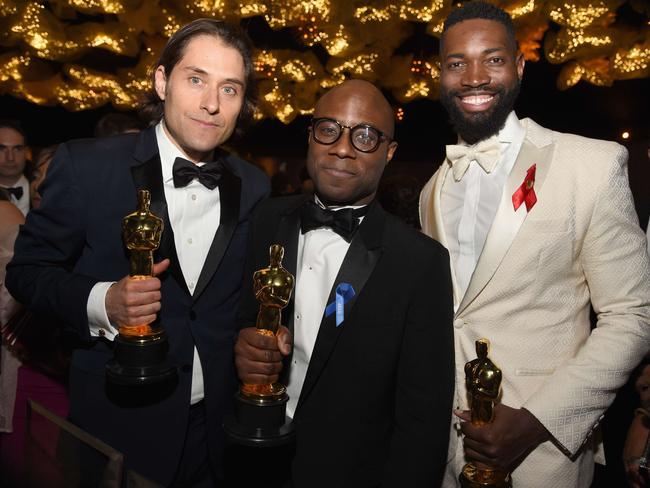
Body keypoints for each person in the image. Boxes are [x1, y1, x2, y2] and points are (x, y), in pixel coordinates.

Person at [6, 18, 269, 486]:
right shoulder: (87, 166)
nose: (212, 104)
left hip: (217, 436)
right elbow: (26, 272)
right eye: (196, 80)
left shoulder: (253, 185)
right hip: (118, 428)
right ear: (162, 81)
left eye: (230, 89)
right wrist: (101, 302)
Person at [418, 2, 650, 487]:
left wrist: (537, 420)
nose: (474, 76)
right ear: (440, 76)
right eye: (457, 62)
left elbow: (633, 314)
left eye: (493, 59)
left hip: (544, 456)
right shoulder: (432, 190)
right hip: (444, 452)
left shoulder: (590, 164)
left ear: (520, 67)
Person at [235, 79, 455, 487]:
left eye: (365, 136)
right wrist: (244, 347)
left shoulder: (419, 262)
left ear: (389, 153)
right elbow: (239, 321)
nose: (342, 146)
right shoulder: (265, 220)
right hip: (252, 460)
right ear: (311, 137)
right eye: (328, 129)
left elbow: (422, 419)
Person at [0, 119, 32, 216]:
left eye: (17, 149)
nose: (10, 158)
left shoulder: (46, 194)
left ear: (27, 153)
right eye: (1, 149)